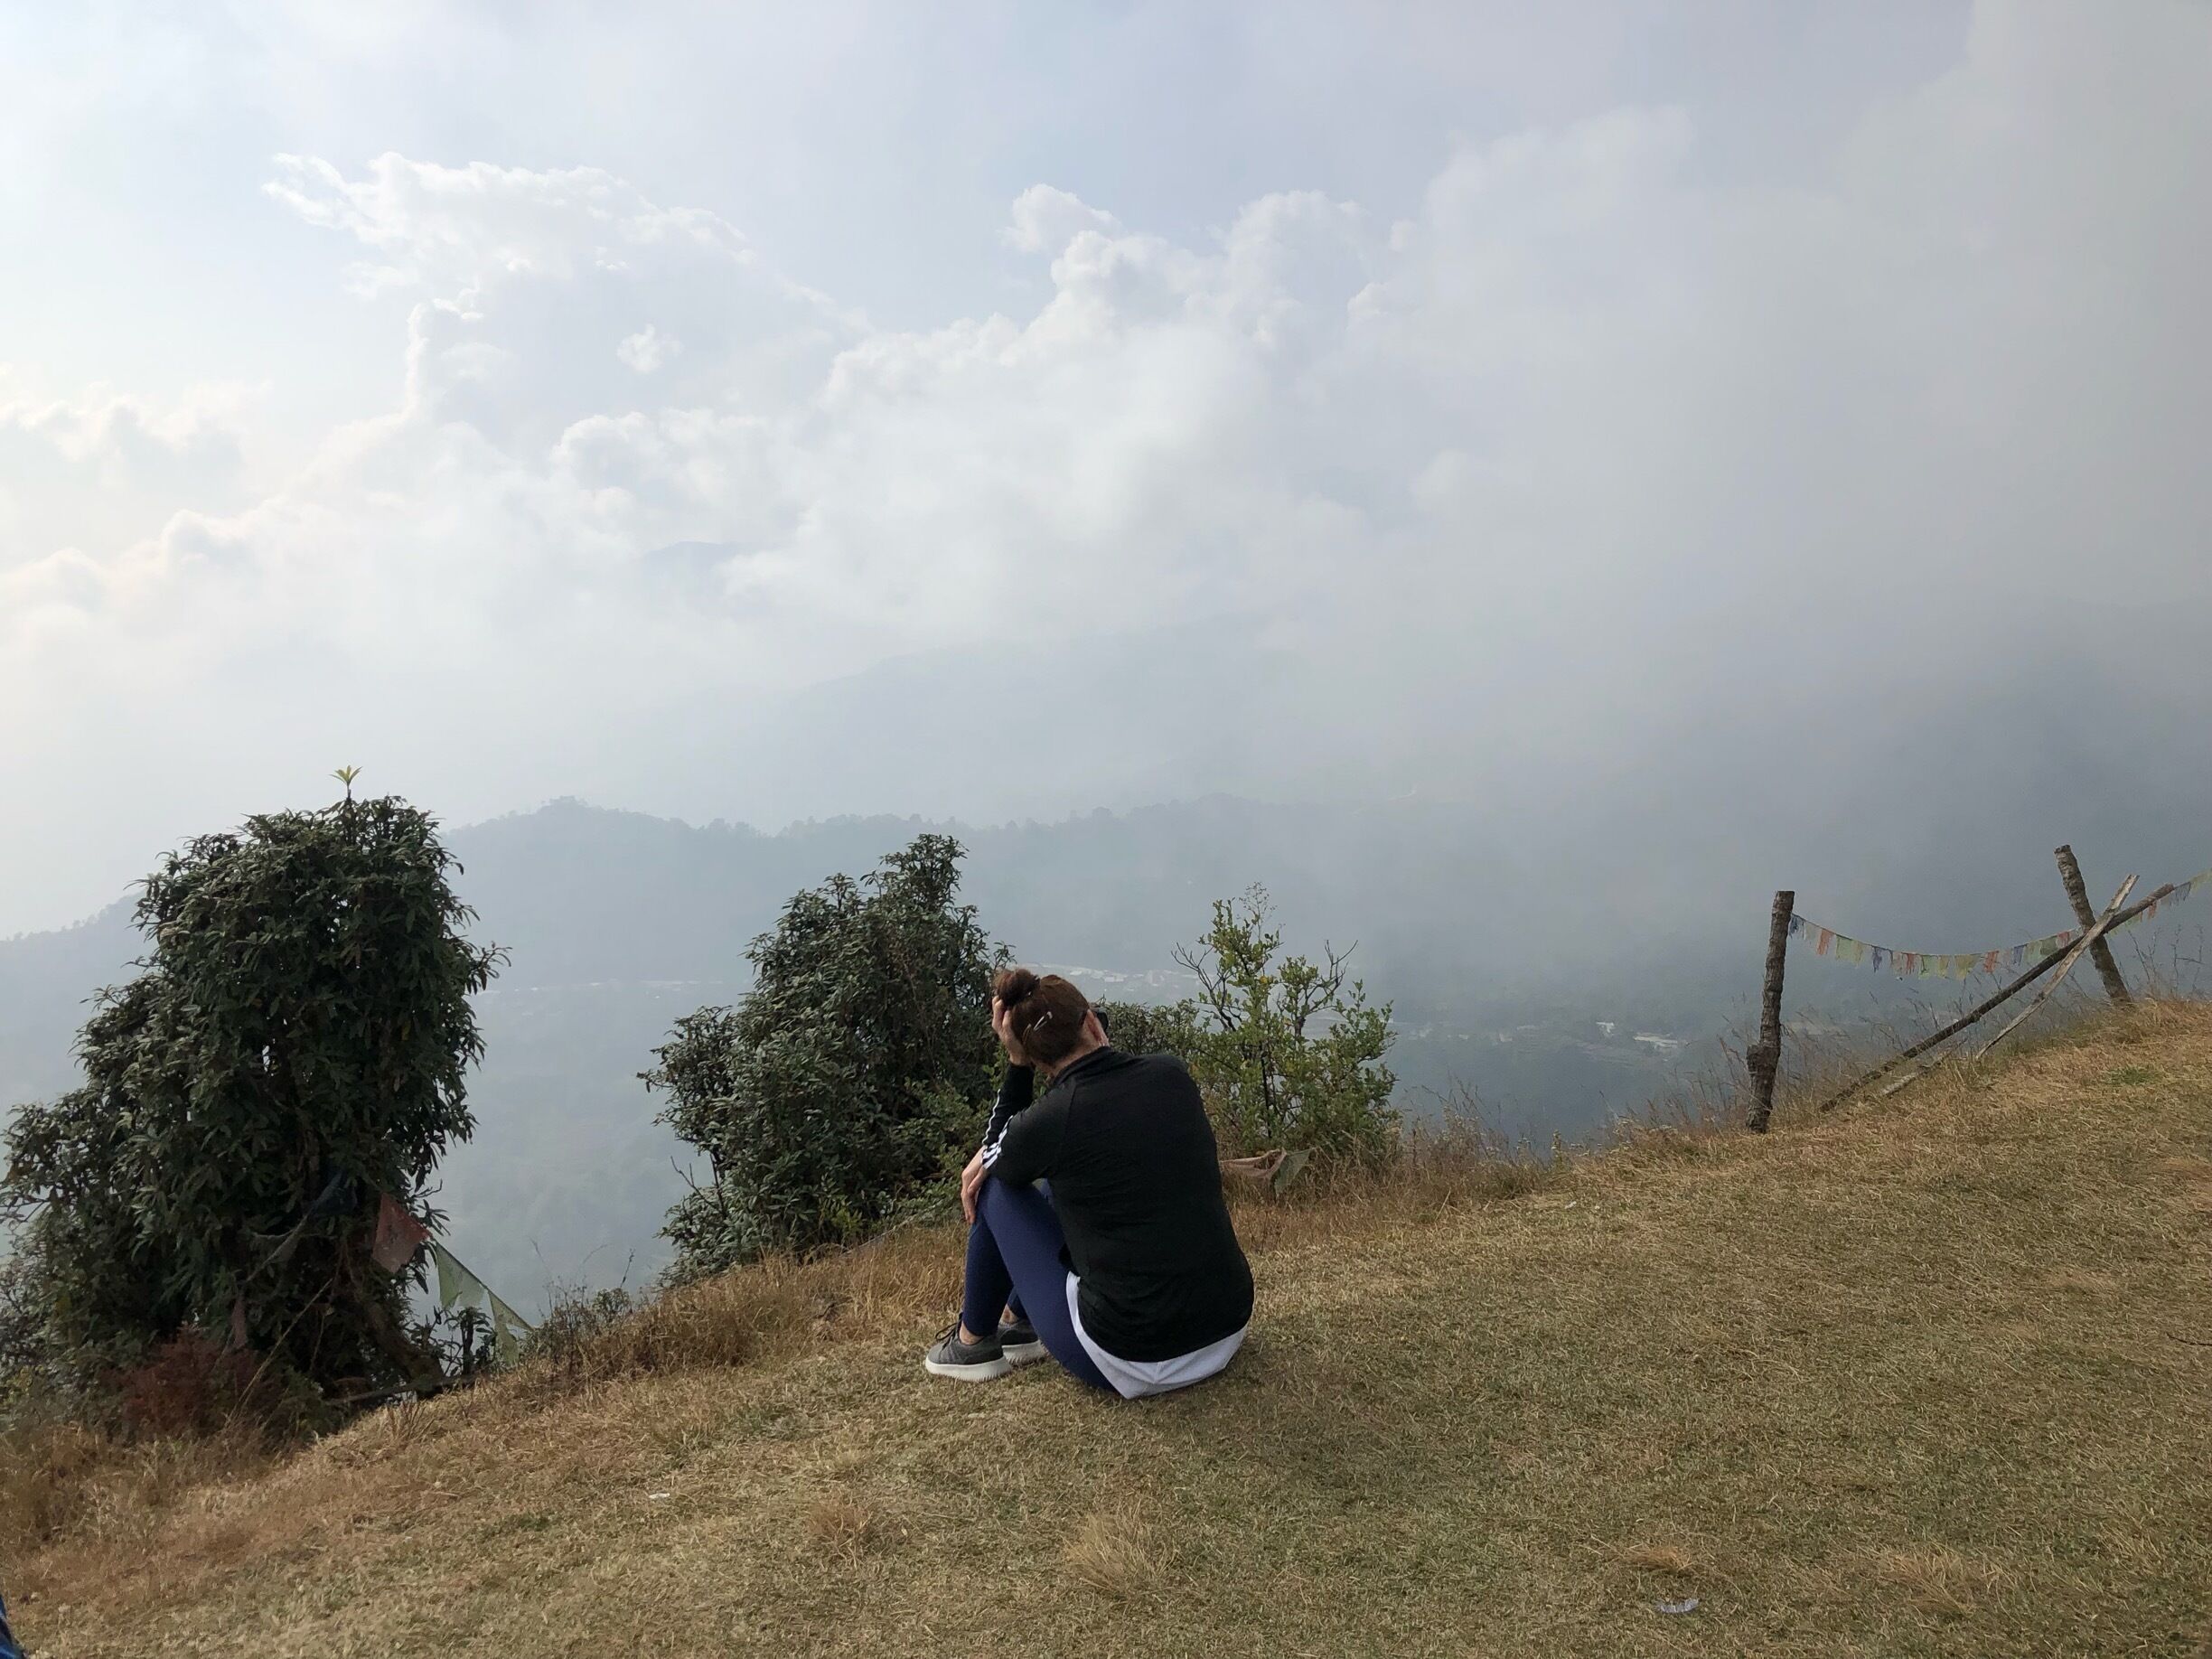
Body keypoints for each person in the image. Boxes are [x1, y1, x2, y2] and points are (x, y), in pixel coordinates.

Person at [923, 968, 1253, 1398]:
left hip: (1133, 1357)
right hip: (1225, 1327)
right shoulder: (1171, 1075)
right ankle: (1019, 1324)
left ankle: (972, 1343)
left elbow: (991, 1158)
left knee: (994, 1186)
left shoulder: (1048, 1121)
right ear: (1093, 1021)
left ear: (1037, 1060)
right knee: (1055, 1186)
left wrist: (1015, 1066)